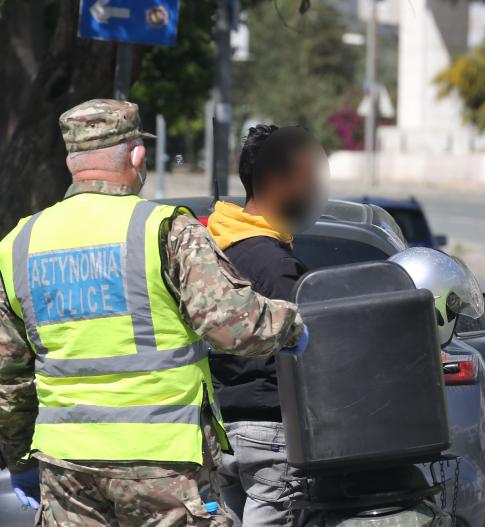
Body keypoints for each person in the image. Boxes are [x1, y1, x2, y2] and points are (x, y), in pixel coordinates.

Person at [0, 99, 309, 526]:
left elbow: (9, 378)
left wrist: (20, 459)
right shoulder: (164, 229)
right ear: (136, 155)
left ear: (72, 161)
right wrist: (295, 324)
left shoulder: (19, 243)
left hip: (66, 464)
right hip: (163, 462)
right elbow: (232, 326)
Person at [207, 124, 328, 525]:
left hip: (220, 433)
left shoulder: (210, 249)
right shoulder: (277, 265)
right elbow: (308, 350)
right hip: (270, 435)